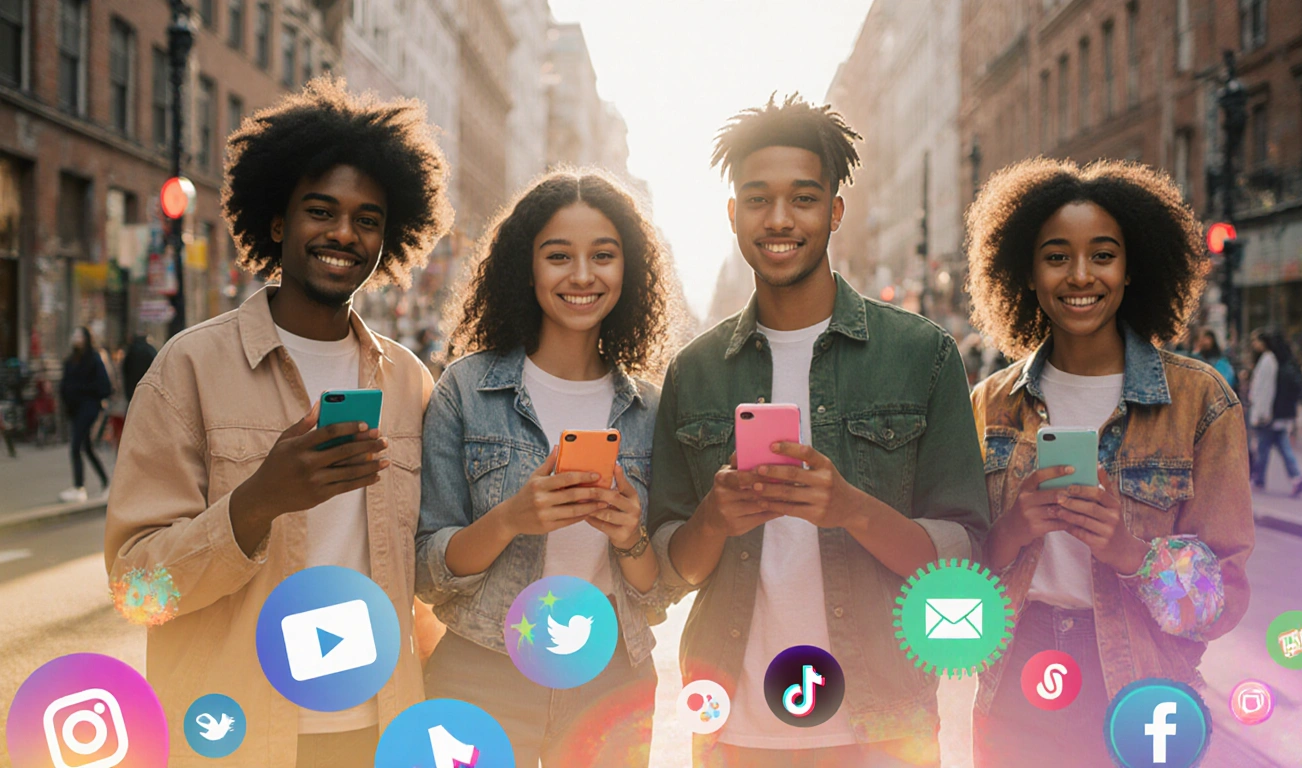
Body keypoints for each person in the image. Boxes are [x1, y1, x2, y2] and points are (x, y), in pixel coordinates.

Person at [103, 78, 453, 767]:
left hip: (379, 732)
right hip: (237, 739)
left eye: (368, 219)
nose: (344, 234)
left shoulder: (410, 381)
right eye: (320, 210)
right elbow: (135, 589)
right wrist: (258, 502)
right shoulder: (189, 370)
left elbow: (428, 577)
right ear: (276, 223)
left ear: (390, 237)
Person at [648, 95, 990, 768]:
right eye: (757, 200)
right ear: (733, 216)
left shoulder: (923, 354)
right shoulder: (694, 371)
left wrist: (850, 510)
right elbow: (665, 572)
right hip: (732, 730)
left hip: (883, 729)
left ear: (834, 212)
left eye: (803, 199)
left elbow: (964, 562)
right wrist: (714, 519)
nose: (779, 220)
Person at [964, 158, 1254, 767]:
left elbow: (1223, 598)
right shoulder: (989, 404)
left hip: (1140, 680)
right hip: (1017, 676)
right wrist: (1012, 530)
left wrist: (1129, 553)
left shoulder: (1202, 401)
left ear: (1131, 269)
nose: (1080, 275)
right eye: (1055, 255)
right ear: (1028, 271)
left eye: (1102, 254)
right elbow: (958, 586)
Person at [415, 169, 675, 767]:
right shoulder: (466, 389)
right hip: (483, 670)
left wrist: (629, 536)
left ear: (627, 270)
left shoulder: (650, 408)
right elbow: (426, 571)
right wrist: (512, 518)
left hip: (609, 678)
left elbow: (658, 594)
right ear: (525, 267)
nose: (582, 275)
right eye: (559, 256)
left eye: (603, 256)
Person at [1248, 328, 1302, 496]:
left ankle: (1260, 479)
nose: (1253, 344)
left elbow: (1265, 390)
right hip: (1276, 414)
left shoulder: (1268, 360)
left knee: (1264, 447)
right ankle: (1295, 476)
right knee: (1278, 445)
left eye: (1256, 341)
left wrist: (1261, 414)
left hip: (1267, 414)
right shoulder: (1275, 360)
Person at [59, 326, 112, 502]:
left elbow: (104, 387)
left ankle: (79, 487)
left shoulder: (94, 359)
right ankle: (107, 483)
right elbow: (65, 384)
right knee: (87, 448)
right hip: (74, 409)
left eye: (79, 335)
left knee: (76, 447)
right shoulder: (70, 361)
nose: (76, 338)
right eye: (74, 334)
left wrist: (83, 393)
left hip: (88, 408)